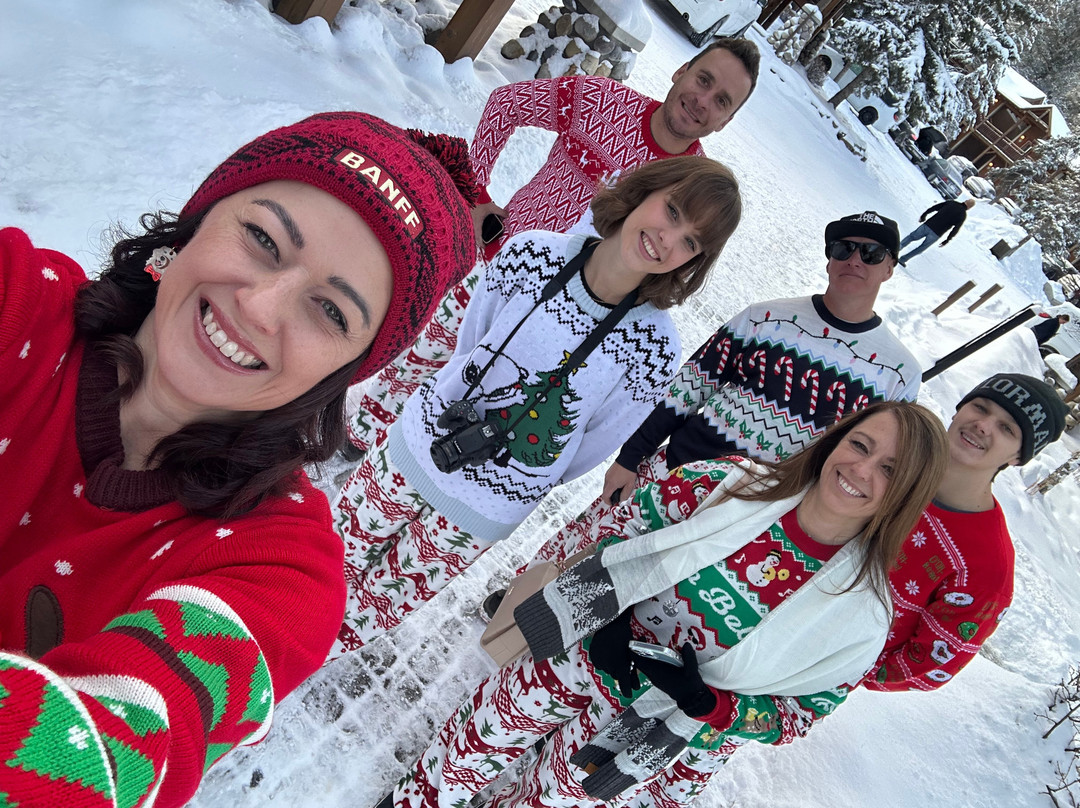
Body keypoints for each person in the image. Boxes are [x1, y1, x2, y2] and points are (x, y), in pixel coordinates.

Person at [0, 112, 478, 808]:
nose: (260, 308)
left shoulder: (281, 573)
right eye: (263, 239)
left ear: (343, 373)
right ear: (199, 219)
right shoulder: (15, 299)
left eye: (331, 312)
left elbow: (115, 750)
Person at [378, 401, 949, 808]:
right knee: (465, 752)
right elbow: (615, 534)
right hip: (578, 655)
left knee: (547, 800)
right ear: (836, 440)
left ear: (908, 495)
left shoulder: (861, 615)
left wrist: (715, 707)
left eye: (890, 470)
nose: (861, 470)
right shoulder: (724, 485)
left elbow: (802, 712)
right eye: (860, 445)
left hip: (649, 726)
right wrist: (609, 614)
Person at [330, 156, 742, 656]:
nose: (668, 239)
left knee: (369, 613)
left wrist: (517, 470)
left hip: (479, 512)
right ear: (646, 191)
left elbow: (587, 448)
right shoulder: (532, 253)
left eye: (691, 243)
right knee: (319, 560)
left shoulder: (654, 350)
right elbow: (470, 345)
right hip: (415, 448)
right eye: (672, 211)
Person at [633, 373, 1069, 807]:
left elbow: (931, 665)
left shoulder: (987, 566)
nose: (983, 426)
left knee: (671, 767)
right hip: (692, 612)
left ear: (1019, 456)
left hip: (768, 682)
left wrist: (832, 667)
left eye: (1007, 428)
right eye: (981, 407)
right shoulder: (875, 456)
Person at [346, 38, 761, 455]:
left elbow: (672, 263)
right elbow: (506, 104)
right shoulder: (600, 100)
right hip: (499, 270)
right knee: (426, 359)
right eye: (703, 80)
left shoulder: (692, 186)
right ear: (681, 71)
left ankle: (414, 465)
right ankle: (359, 442)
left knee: (487, 414)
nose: (703, 100)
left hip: (561, 329)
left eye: (721, 101)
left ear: (725, 121)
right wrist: (474, 193)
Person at [523, 210, 920, 572]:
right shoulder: (766, 317)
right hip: (674, 469)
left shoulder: (898, 374)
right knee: (585, 549)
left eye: (871, 254)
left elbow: (884, 465)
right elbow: (688, 387)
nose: (855, 260)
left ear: (889, 268)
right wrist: (630, 457)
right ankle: (514, 599)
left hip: (754, 516)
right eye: (843, 248)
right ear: (829, 258)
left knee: (644, 593)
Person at [897, 198, 976, 265]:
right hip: (936, 234)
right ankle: (903, 259)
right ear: (969, 208)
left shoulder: (951, 203)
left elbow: (935, 207)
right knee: (921, 248)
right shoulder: (962, 215)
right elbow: (955, 229)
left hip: (928, 225)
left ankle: (896, 249)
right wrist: (947, 240)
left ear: (965, 201)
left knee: (911, 237)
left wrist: (924, 214)